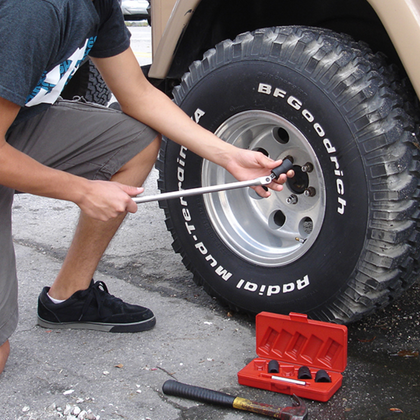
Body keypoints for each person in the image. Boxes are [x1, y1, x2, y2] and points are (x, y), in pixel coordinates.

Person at [0, 0, 293, 375]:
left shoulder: (100, 5)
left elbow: (136, 92)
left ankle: (69, 298)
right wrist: (82, 190)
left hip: (16, 123)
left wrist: (228, 155)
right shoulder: (38, 10)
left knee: (133, 142)